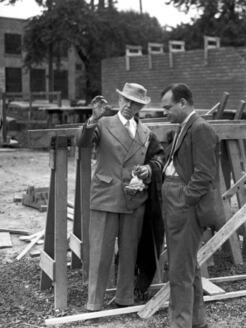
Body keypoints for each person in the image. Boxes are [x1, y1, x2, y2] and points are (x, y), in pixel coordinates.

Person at [77, 82, 164, 311]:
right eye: (125, 100)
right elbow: (83, 142)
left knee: (129, 253)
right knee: (100, 252)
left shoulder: (146, 132)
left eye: (134, 103)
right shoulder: (104, 123)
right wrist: (93, 119)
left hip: (134, 198)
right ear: (119, 101)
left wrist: (148, 170)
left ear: (140, 107)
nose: (128, 106)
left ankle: (125, 298)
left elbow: (158, 159)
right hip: (106, 196)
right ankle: (94, 301)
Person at [160, 83, 218, 328]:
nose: (165, 112)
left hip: (183, 205)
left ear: (183, 103)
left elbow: (204, 174)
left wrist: (184, 200)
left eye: (168, 107)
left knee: (179, 270)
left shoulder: (200, 128)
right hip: (176, 201)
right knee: (187, 266)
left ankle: (179, 324)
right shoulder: (184, 127)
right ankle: (195, 321)